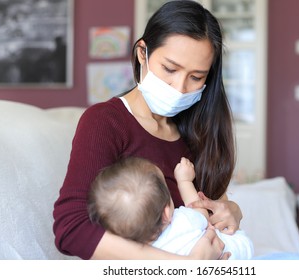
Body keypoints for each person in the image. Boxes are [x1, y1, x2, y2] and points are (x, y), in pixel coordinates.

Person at [53, 0, 242, 260]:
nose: (179, 87)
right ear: (143, 52)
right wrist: (185, 267)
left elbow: (210, 209)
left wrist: (232, 210)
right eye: (170, 69)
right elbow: (71, 229)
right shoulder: (105, 121)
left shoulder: (196, 131)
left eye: (196, 77)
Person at [88, 157, 253, 260]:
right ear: (167, 213)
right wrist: (184, 181)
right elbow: (199, 209)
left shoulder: (135, 253)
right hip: (234, 252)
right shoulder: (183, 221)